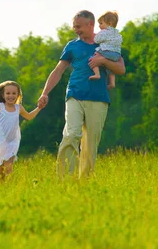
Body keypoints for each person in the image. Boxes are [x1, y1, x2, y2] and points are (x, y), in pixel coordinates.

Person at [37, 10, 125, 179]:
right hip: (74, 95)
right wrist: (45, 93)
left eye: (79, 26)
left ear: (90, 24)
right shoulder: (72, 46)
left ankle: (85, 182)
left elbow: (121, 69)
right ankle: (65, 181)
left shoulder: (106, 42)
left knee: (90, 144)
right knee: (71, 134)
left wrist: (103, 61)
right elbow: (58, 71)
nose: (76, 30)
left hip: (99, 98)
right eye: (74, 27)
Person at [89, 11, 123, 90]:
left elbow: (96, 40)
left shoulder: (104, 32)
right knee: (110, 68)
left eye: (101, 23)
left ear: (109, 23)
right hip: (116, 55)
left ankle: (97, 74)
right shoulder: (118, 33)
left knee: (94, 58)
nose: (99, 26)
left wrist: (97, 36)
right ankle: (112, 83)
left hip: (107, 52)